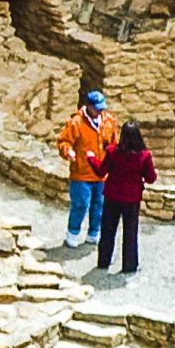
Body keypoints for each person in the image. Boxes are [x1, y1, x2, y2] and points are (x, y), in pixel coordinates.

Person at [56, 91, 119, 247]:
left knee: (99, 204)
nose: (100, 111)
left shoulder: (109, 121)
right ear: (88, 106)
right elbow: (64, 142)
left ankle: (93, 233)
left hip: (101, 173)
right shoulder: (76, 123)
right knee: (81, 203)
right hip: (81, 172)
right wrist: (67, 151)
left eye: (102, 108)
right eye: (97, 109)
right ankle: (73, 232)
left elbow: (113, 143)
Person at [96, 122, 156, 275]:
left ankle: (104, 261)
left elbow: (101, 171)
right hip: (131, 199)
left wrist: (91, 159)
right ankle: (129, 265)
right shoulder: (144, 156)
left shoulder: (112, 152)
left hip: (112, 195)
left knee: (108, 230)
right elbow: (150, 178)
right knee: (130, 232)